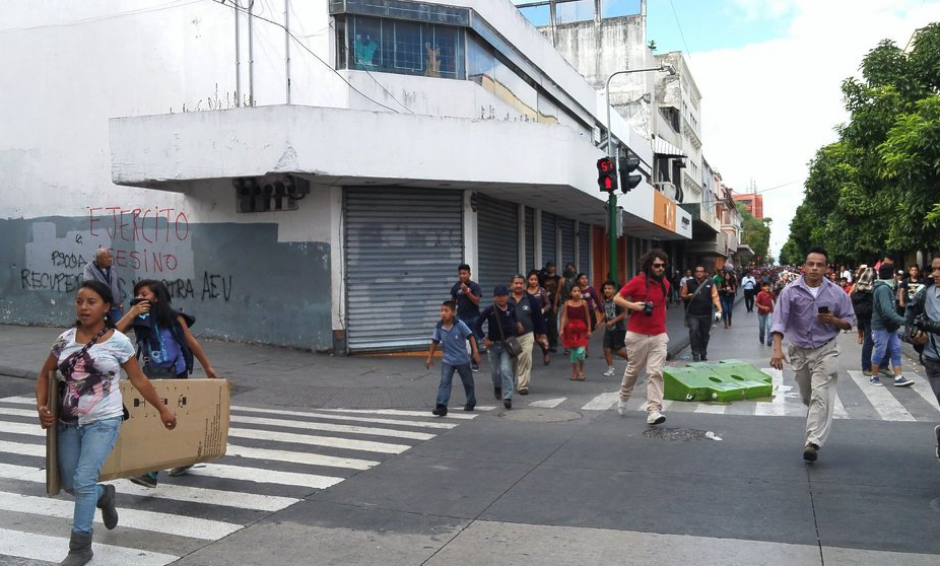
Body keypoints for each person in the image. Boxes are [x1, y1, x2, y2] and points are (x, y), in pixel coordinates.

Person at [35, 280, 177, 566]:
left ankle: (80, 547)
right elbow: (43, 376)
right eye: (79, 301)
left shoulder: (118, 342)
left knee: (84, 479)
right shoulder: (64, 339)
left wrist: (163, 410)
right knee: (72, 485)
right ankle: (105, 495)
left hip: (103, 421)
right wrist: (41, 406)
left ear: (106, 307)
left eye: (91, 302)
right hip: (68, 422)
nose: (83, 307)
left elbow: (138, 379)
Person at [116, 279, 218, 486]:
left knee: (160, 421)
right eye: (138, 294)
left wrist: (208, 367)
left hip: (176, 376)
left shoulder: (174, 318)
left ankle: (151, 473)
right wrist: (132, 313)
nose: (140, 297)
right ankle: (186, 457)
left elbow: (191, 343)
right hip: (150, 376)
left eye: (145, 294)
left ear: (157, 296)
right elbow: (111, 335)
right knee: (164, 420)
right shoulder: (139, 319)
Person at [770, 246, 854, 463]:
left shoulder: (837, 292)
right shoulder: (790, 291)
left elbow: (849, 321)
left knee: (821, 393)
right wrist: (777, 350)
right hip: (799, 351)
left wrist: (833, 320)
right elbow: (779, 321)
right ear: (804, 267)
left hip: (826, 349)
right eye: (811, 264)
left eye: (819, 265)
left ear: (826, 268)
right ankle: (815, 421)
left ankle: (812, 442)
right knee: (809, 396)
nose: (815, 268)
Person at [614, 249, 671, 426]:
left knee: (655, 372)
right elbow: (617, 298)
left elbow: (663, 308)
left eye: (663, 265)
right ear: (649, 266)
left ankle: (654, 410)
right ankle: (623, 397)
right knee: (633, 370)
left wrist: (662, 326)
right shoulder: (637, 282)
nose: (660, 268)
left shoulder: (665, 284)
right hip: (637, 335)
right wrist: (633, 306)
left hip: (659, 335)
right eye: (657, 265)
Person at [903, 254, 940, 462]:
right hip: (935, 361)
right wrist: (914, 336)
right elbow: (908, 320)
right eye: (933, 269)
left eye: (939, 269)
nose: (935, 274)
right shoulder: (924, 293)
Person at [425, 301, 480, 417]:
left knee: (468, 382)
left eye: (446, 311)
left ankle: (471, 401)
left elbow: (471, 336)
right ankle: (441, 406)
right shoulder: (439, 326)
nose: (443, 313)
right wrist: (430, 357)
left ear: (453, 312)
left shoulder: (459, 324)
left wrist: (475, 352)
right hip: (447, 360)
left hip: (462, 359)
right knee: (444, 382)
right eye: (441, 311)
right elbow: (435, 341)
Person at [474, 286, 524, 410]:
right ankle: (497, 386)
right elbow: (477, 325)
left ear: (507, 296)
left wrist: (518, 324)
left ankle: (508, 397)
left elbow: (515, 318)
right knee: (495, 371)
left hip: (507, 344)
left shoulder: (511, 307)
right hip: (493, 345)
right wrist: (484, 339)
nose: (501, 298)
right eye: (499, 295)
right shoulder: (489, 310)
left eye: (504, 295)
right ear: (494, 297)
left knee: (506, 370)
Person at [870, 261, 915, 387]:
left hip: (889, 326)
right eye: (894, 273)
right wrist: (904, 321)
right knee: (880, 351)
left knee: (896, 350)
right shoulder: (883, 289)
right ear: (891, 275)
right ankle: (874, 377)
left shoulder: (885, 287)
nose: (895, 276)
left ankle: (899, 377)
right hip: (881, 326)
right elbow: (887, 311)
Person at [508, 274, 547, 395]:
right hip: (510, 338)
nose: (518, 285)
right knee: (511, 362)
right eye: (516, 283)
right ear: (511, 285)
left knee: (525, 358)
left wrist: (541, 334)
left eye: (521, 283)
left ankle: (523, 386)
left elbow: (538, 318)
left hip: (527, 335)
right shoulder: (506, 299)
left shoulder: (531, 299)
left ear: (524, 285)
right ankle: (509, 383)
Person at [681, 265, 722, 362]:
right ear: (695, 273)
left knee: (705, 335)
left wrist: (719, 309)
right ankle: (695, 353)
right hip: (693, 314)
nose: (699, 273)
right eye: (697, 271)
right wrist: (687, 296)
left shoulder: (710, 283)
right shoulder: (689, 283)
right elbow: (683, 295)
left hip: (706, 314)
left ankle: (703, 353)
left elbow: (715, 297)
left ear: (704, 273)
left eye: (701, 271)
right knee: (694, 331)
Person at [450, 264, 483, 371]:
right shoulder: (456, 287)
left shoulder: (474, 286)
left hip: (474, 317)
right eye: (460, 274)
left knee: (474, 340)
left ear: (469, 274)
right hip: (460, 317)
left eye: (464, 273)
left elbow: (476, 301)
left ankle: (474, 363)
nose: (462, 276)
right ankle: (460, 363)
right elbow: (453, 301)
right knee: (459, 340)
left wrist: (467, 291)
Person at [82, 248, 124, 324]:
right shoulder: (89, 268)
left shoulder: (113, 269)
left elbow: (118, 285)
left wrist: (120, 301)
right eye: (106, 257)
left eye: (110, 257)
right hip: (100, 306)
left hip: (114, 306)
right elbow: (88, 283)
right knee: (100, 327)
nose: (110, 259)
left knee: (119, 327)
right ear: (98, 259)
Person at [560, 284, 590, 380]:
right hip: (570, 329)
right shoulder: (567, 303)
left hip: (581, 329)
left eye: (578, 291)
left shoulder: (584, 303)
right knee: (573, 353)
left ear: (581, 293)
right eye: (574, 291)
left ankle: (581, 370)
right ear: (570, 293)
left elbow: (587, 316)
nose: (576, 293)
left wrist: (589, 329)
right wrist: (561, 329)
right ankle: (574, 371)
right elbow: (564, 317)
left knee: (581, 352)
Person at [598, 280, 629, 377]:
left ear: (614, 290)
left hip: (618, 329)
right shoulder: (605, 300)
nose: (607, 290)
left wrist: (613, 321)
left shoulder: (617, 300)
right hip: (609, 329)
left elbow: (624, 314)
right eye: (605, 288)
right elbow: (606, 313)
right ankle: (610, 369)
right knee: (606, 349)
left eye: (609, 288)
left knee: (617, 350)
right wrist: (600, 321)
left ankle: (632, 361)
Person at [526, 270, 552, 366]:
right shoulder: (524, 292)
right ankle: (528, 362)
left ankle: (546, 353)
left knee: (541, 339)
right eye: (531, 279)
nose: (533, 281)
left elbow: (548, 304)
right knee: (528, 340)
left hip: (539, 318)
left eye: (535, 280)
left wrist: (543, 310)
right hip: (528, 318)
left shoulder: (541, 290)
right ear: (528, 280)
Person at [540, 263, 561, 352]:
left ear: (555, 267)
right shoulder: (543, 278)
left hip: (554, 302)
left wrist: (556, 305)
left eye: (552, 266)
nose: (550, 268)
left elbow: (559, 292)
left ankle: (554, 343)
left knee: (552, 322)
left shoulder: (558, 278)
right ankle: (546, 342)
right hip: (544, 303)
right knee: (545, 323)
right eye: (549, 266)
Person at [755, 281, 775, 346]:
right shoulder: (760, 294)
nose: (767, 287)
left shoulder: (772, 294)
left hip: (770, 312)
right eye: (765, 286)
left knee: (770, 326)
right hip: (761, 313)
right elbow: (756, 303)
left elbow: (775, 301)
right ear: (762, 287)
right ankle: (761, 336)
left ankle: (769, 340)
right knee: (762, 327)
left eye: (768, 286)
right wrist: (763, 307)